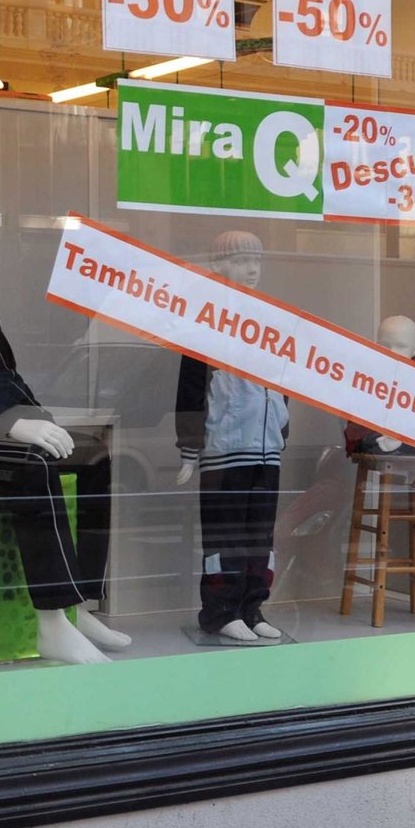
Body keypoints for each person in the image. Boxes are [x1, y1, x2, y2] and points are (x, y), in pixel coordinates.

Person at [0, 158, 130, 665]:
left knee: (94, 457)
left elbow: (1, 366)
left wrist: (38, 417)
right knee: (32, 464)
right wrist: (7, 424)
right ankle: (52, 621)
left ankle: (81, 604)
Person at [175, 231, 287, 642]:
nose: (252, 269)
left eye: (256, 260)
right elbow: (191, 388)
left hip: (266, 450)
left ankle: (252, 608)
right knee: (225, 536)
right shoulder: (205, 320)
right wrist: (190, 449)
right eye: (241, 261)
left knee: (261, 535)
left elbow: (284, 380)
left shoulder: (271, 318)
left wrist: (282, 427)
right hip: (226, 448)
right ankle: (220, 611)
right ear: (217, 264)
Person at [344, 315, 415, 457]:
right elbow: (354, 432)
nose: (392, 352)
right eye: (384, 346)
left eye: (401, 347)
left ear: (414, 350)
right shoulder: (364, 379)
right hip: (373, 448)